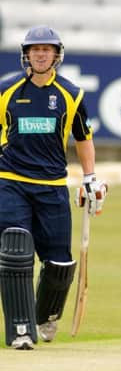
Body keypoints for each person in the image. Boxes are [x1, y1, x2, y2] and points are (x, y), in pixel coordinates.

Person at [0, 25, 106, 350]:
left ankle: (44, 315)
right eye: (35, 50)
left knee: (59, 263)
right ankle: (20, 330)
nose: (41, 54)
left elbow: (83, 137)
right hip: (11, 182)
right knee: (16, 250)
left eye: (46, 49)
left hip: (52, 185)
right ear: (26, 55)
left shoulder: (71, 94)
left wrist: (89, 178)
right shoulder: (6, 91)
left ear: (56, 54)